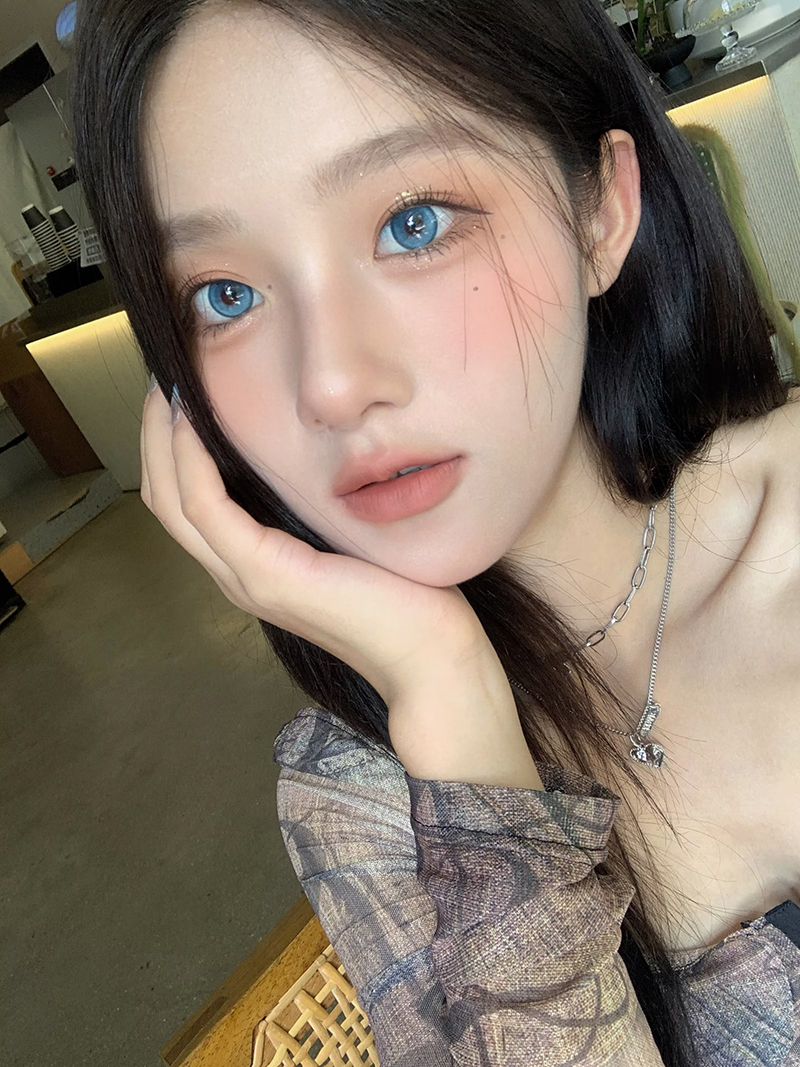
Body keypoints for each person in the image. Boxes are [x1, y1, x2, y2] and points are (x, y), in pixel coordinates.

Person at [70, 1, 800, 1063]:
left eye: (413, 222)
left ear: (599, 210)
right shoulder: (362, 792)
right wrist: (450, 700)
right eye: (226, 295)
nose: (330, 385)